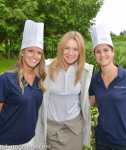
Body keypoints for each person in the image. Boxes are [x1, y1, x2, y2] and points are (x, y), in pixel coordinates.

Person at [89, 23, 126, 150]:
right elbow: (87, 104)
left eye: (106, 50)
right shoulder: (94, 79)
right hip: (102, 139)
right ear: (94, 55)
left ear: (112, 52)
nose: (102, 55)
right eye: (98, 51)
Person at [34, 31, 93, 150]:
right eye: (67, 48)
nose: (71, 53)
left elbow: (88, 98)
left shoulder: (84, 70)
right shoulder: (46, 68)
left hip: (74, 130)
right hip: (50, 130)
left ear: (80, 51)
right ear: (61, 48)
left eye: (75, 49)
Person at [0, 20, 46, 150]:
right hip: (6, 143)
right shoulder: (6, 79)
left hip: (29, 141)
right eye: (30, 50)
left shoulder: (39, 80)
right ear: (22, 52)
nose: (34, 56)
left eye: (39, 52)